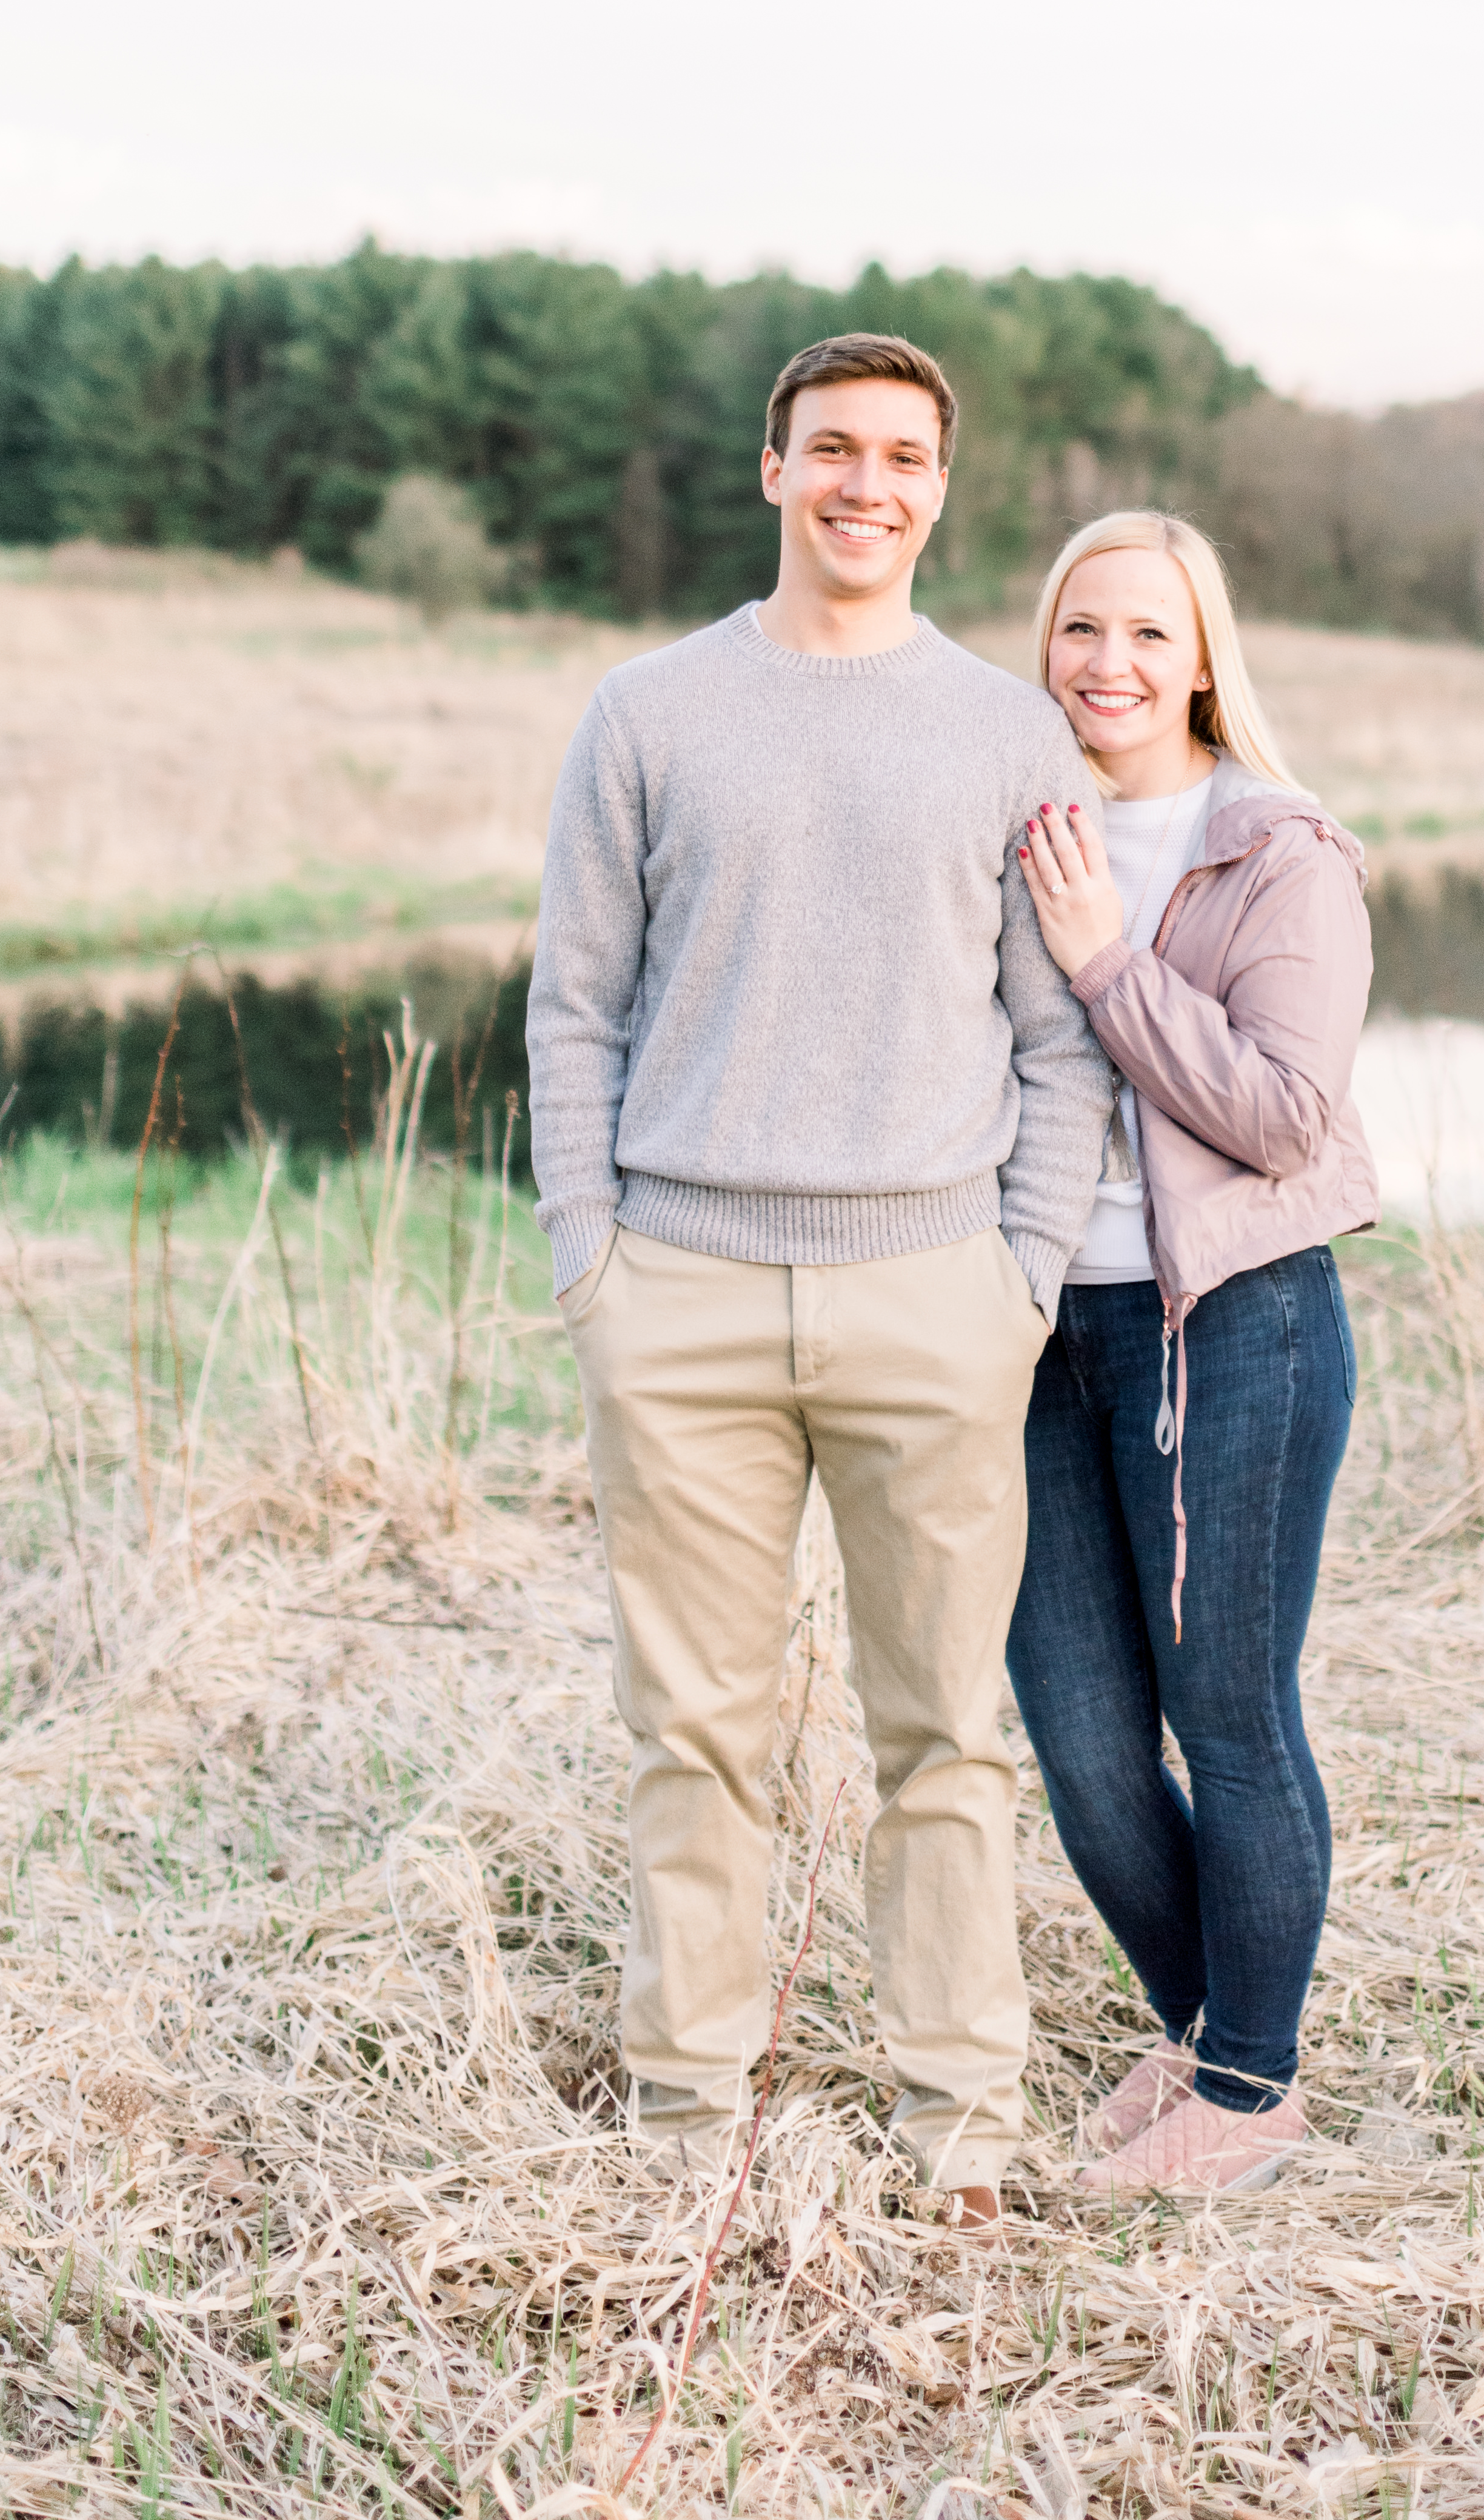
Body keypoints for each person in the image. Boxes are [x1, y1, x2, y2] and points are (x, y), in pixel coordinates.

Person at [526, 333, 1109, 2228]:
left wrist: (1018, 1274)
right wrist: (590, 1263)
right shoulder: (645, 712)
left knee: (945, 1732)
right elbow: (573, 1008)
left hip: (930, 1296)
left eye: (905, 457)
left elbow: (1055, 1037)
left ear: (941, 491)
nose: (869, 484)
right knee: (693, 1731)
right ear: (772, 468)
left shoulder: (1010, 736)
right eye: (834, 449)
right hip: (677, 1292)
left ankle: (962, 2122)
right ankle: (691, 2117)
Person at [1007, 509, 1378, 2196]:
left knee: (1225, 1708)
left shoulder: (1278, 851)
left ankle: (1250, 2090)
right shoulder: (1016, 824)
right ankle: (1203, 2033)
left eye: (1148, 634)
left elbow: (1286, 1117)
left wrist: (1103, 964)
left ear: (1205, 654)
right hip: (1034, 1326)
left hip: (1237, 1320)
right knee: (1081, 1731)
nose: (1109, 664)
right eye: (1082, 628)